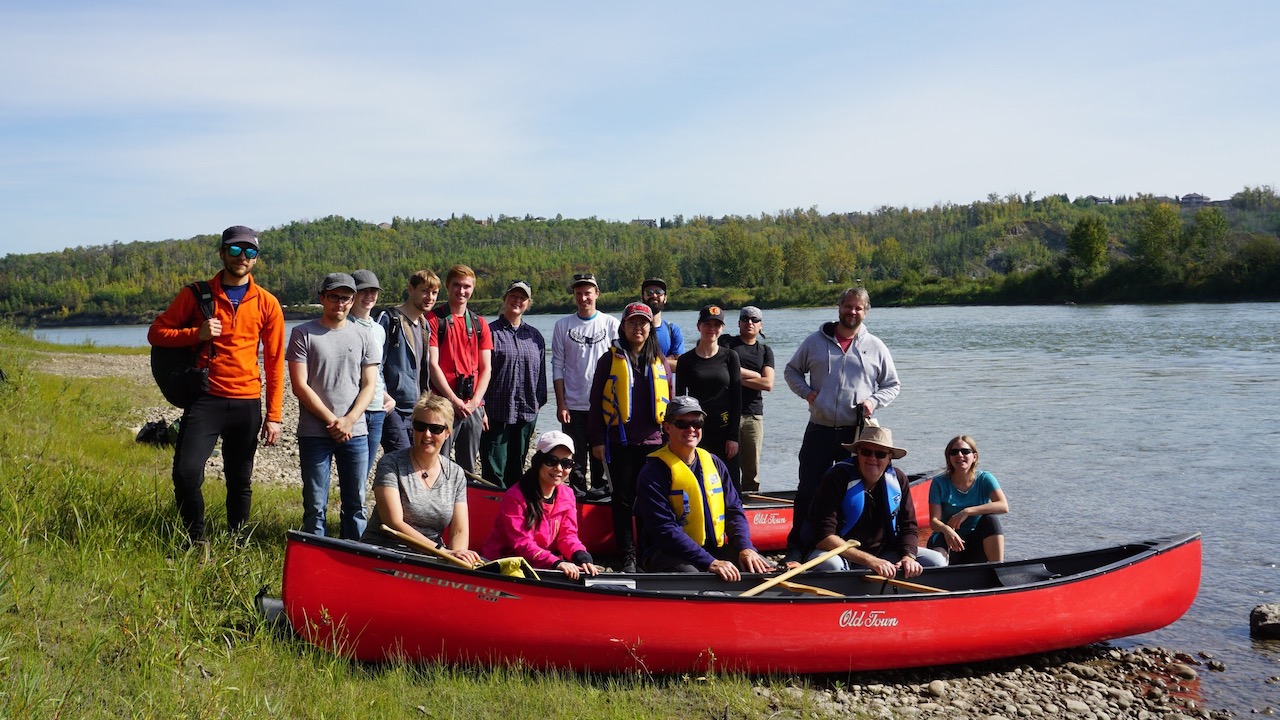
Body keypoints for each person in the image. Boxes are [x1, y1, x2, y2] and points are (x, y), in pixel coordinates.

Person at [147, 225, 285, 546]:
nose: (242, 257)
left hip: (247, 402)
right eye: (235, 250)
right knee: (185, 474)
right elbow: (156, 333)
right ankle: (196, 539)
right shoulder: (195, 294)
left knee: (239, 480)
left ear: (255, 259)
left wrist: (274, 416)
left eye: (249, 252)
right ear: (222, 252)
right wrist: (197, 334)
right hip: (205, 398)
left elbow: (275, 363)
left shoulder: (267, 303)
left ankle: (237, 542)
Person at [783, 286, 900, 561]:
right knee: (808, 490)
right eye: (848, 306)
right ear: (839, 308)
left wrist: (873, 401)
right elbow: (791, 371)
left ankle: (849, 546)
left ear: (866, 311)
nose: (853, 312)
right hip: (820, 429)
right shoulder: (815, 341)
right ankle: (798, 547)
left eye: (859, 308)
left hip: (857, 433)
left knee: (855, 489)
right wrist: (809, 393)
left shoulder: (875, 346)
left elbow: (893, 385)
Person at [634, 396, 774, 581]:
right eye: (682, 423)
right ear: (668, 427)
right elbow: (664, 530)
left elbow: (734, 511)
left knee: (762, 569)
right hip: (666, 552)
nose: (691, 429)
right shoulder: (653, 472)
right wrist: (709, 562)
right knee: (693, 576)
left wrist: (745, 547)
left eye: (697, 423)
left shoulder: (714, 463)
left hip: (711, 549)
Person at [288, 272, 380, 539]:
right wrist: (333, 420)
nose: (339, 303)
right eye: (334, 297)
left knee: (356, 504)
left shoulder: (365, 336)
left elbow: (369, 385)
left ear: (352, 301)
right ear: (322, 298)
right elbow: (300, 386)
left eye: (346, 298)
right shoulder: (302, 333)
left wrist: (349, 420)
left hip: (356, 432)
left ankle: (355, 553)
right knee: (315, 504)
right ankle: (314, 550)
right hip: (314, 433)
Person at [587, 301, 670, 573]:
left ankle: (649, 552)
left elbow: (669, 406)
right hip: (618, 443)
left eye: (643, 323)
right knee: (622, 500)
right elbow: (596, 402)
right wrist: (597, 440)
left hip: (655, 445)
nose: (638, 327)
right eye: (633, 322)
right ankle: (628, 556)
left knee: (650, 500)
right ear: (623, 326)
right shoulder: (609, 359)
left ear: (650, 328)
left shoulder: (660, 361)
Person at [360, 393, 482, 566]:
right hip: (384, 553)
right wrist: (442, 552)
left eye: (436, 429)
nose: (427, 434)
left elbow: (459, 531)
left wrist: (457, 560)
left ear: (448, 432)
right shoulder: (390, 464)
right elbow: (393, 523)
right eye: (420, 426)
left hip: (432, 558)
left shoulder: (456, 474)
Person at [805, 426, 945, 577]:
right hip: (840, 554)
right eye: (866, 452)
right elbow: (824, 537)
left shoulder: (898, 480)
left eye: (880, 454)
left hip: (883, 555)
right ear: (857, 452)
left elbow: (908, 526)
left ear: (889, 457)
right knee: (831, 564)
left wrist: (908, 556)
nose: (872, 459)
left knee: (937, 561)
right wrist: (871, 561)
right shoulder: (837, 477)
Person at [481, 431, 600, 579]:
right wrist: (556, 563)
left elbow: (568, 536)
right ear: (538, 462)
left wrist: (581, 556)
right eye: (551, 461)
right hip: (505, 563)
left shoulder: (567, 495)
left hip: (543, 565)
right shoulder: (515, 496)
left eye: (566, 463)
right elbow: (522, 544)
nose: (559, 469)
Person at [551, 273, 619, 495]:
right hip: (573, 405)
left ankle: (601, 492)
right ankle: (576, 497)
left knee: (601, 456)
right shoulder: (563, 325)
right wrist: (561, 403)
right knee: (575, 459)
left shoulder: (611, 324)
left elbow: (620, 365)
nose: (583, 298)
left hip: (603, 406)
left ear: (597, 294)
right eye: (579, 293)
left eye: (588, 293)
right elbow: (557, 366)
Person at [480, 280, 548, 487]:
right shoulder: (489, 333)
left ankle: (515, 513)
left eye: (522, 298)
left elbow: (541, 376)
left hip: (526, 413)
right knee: (493, 471)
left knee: (517, 470)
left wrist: (538, 405)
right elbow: (479, 371)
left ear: (528, 303)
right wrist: (480, 407)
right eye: (513, 296)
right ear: (505, 299)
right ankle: (492, 511)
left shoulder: (535, 336)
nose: (517, 301)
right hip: (495, 414)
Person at [427, 265, 492, 475]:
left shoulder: (480, 324)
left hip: (472, 404)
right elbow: (432, 364)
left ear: (473, 288)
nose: (461, 291)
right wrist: (454, 400)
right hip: (443, 402)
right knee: (438, 460)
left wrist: (476, 403)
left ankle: (464, 504)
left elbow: (486, 368)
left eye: (466, 286)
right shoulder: (434, 320)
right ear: (447, 286)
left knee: (469, 466)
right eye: (456, 285)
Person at [674, 304, 741, 479]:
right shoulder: (686, 360)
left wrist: (734, 437)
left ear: (722, 329)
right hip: (696, 431)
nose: (712, 329)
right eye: (707, 324)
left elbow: (737, 398)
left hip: (725, 431)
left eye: (716, 325)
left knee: (730, 483)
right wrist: (680, 435)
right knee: (700, 480)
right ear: (699, 326)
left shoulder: (730, 357)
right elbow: (679, 401)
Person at [378, 270, 439, 454]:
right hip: (393, 408)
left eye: (434, 293)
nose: (430, 297)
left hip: (417, 409)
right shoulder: (389, 319)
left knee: (416, 463)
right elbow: (374, 364)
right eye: (424, 291)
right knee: (402, 461)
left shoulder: (424, 324)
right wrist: (384, 398)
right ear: (411, 290)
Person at [927, 435, 1008, 564]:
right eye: (954, 452)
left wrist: (967, 511)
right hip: (948, 539)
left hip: (975, 543)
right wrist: (947, 529)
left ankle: (997, 569)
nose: (960, 455)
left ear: (974, 456)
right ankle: (940, 572)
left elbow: (1003, 506)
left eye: (965, 451)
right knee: (939, 545)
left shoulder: (985, 479)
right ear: (949, 458)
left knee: (991, 519)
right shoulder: (939, 482)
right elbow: (933, 521)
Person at [349, 269, 396, 479]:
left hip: (377, 409)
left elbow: (377, 369)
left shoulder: (379, 329)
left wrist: (386, 396)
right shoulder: (345, 325)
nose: (369, 297)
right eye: (363, 291)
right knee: (352, 470)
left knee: (365, 471)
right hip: (353, 408)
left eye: (373, 291)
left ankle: (357, 509)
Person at [722, 306, 774, 493]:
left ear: (760, 325)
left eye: (754, 319)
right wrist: (754, 374)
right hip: (727, 413)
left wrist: (736, 376)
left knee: (751, 468)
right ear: (739, 323)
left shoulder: (765, 350)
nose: (749, 322)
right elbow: (722, 367)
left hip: (753, 415)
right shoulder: (727, 343)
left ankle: (750, 504)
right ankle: (728, 501)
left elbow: (768, 383)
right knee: (726, 463)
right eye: (745, 318)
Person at [640, 278, 684, 366]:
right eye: (649, 292)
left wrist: (651, 362)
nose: (654, 295)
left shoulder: (673, 331)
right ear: (642, 297)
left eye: (659, 292)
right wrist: (669, 359)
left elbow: (681, 365)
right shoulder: (635, 330)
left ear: (665, 298)